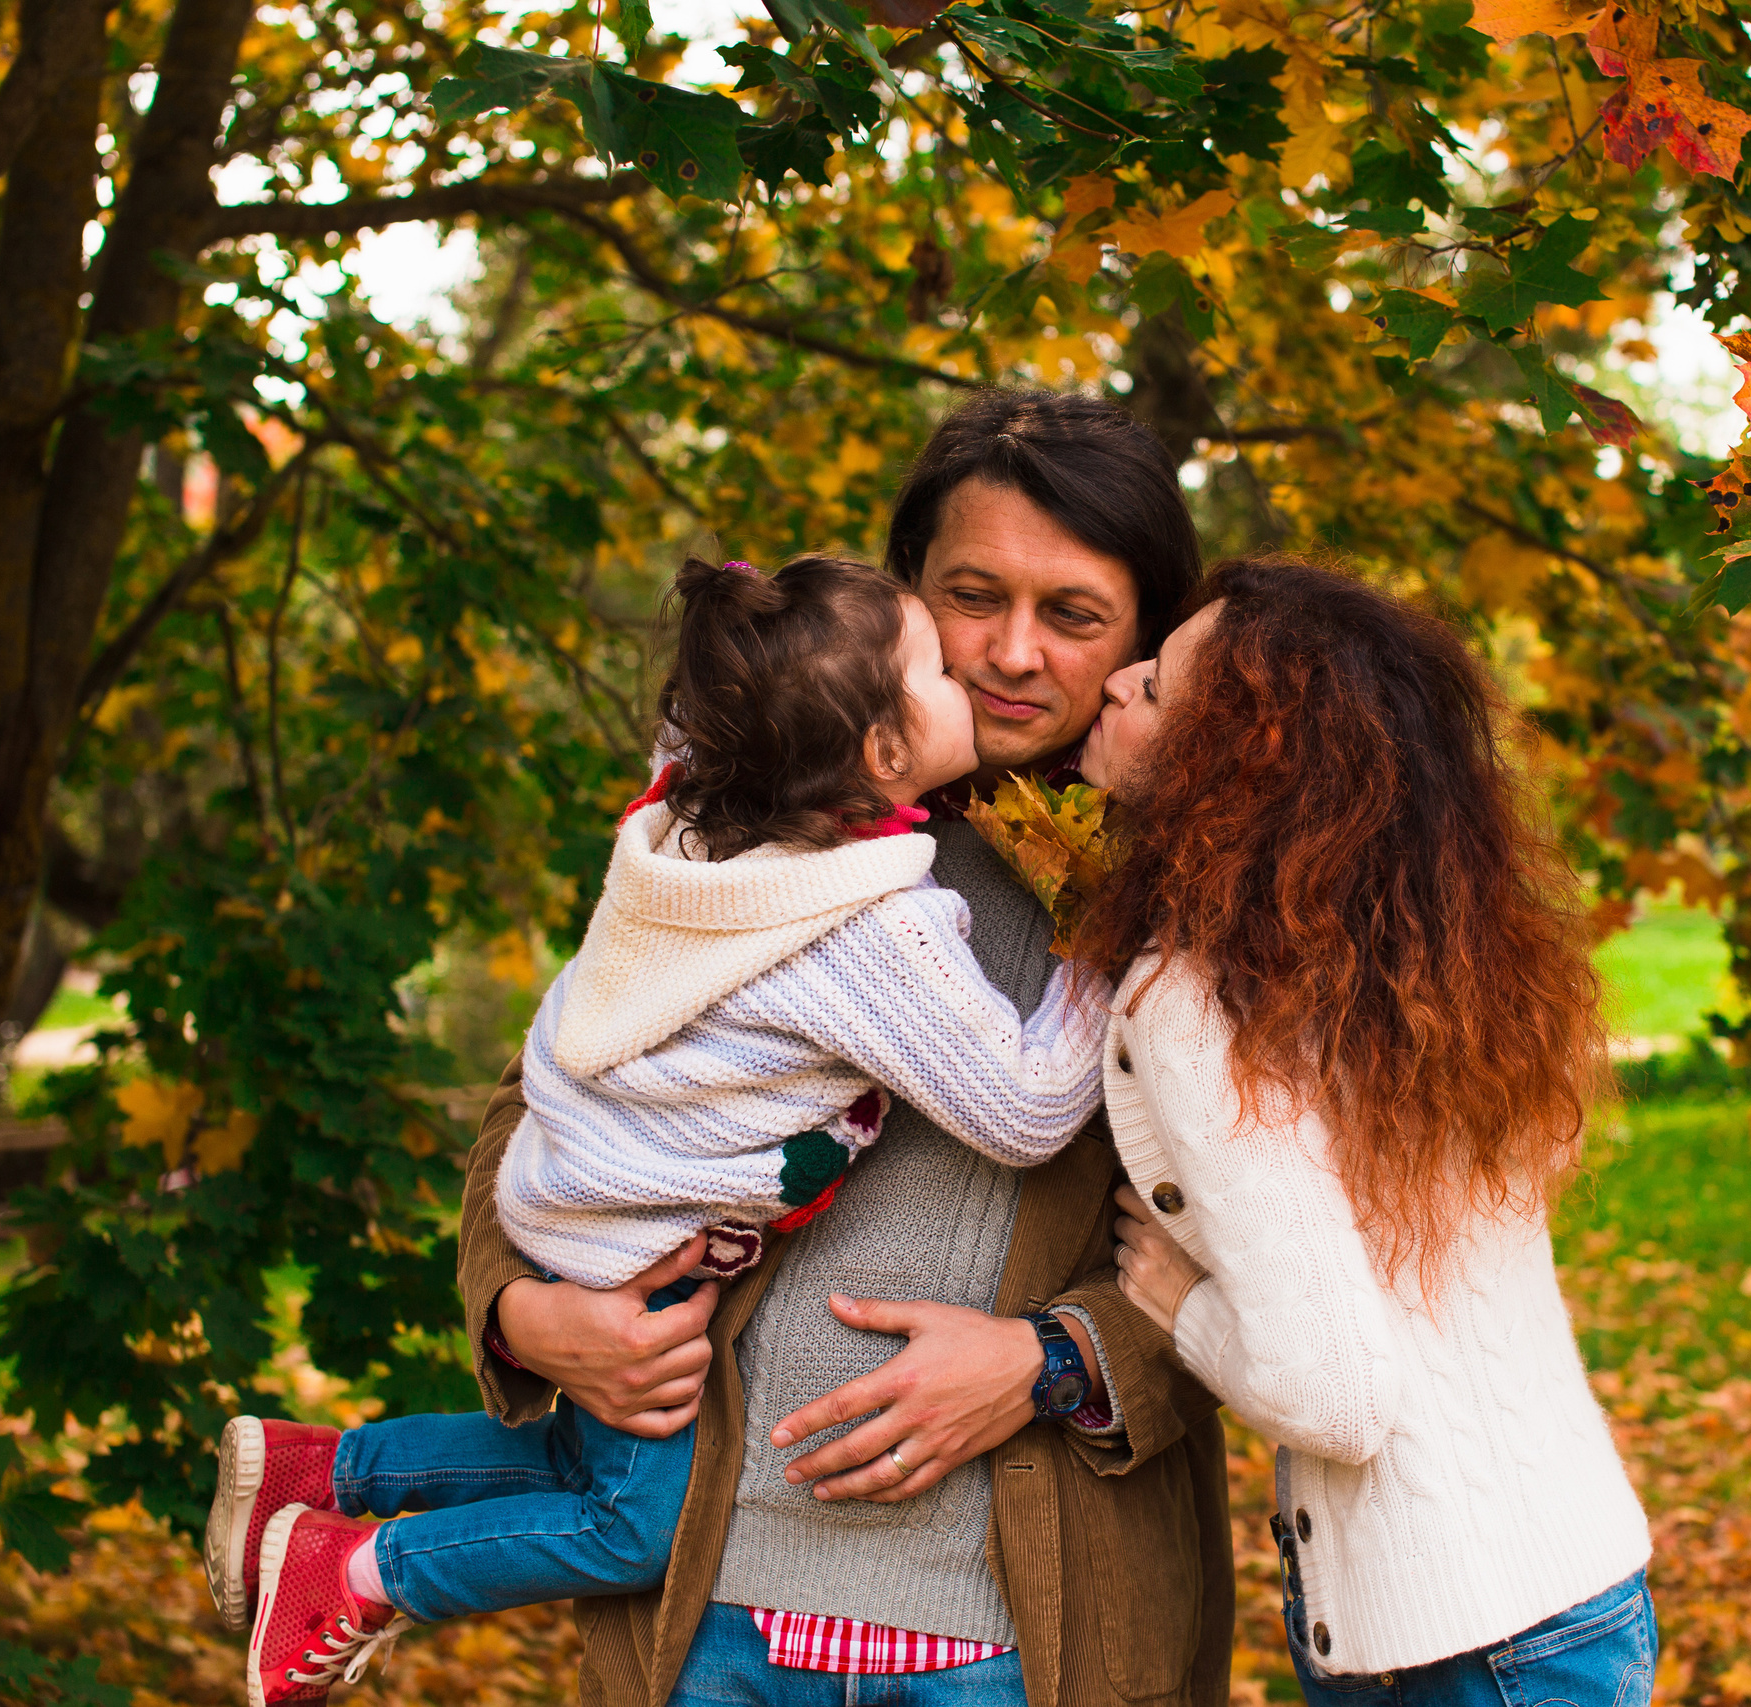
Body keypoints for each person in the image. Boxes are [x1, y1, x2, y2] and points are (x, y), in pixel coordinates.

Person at [208, 555, 1115, 1706]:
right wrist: (1110, 943)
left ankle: (320, 1468)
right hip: (640, 1247)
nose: (986, 670)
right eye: (942, 651)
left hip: (586, 1204)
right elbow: (1028, 1107)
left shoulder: (690, 818)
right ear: (881, 756)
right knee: (631, 1526)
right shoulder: (864, 922)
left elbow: (705, 716)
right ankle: (361, 1568)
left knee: (584, 1462)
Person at [452, 390, 1233, 1707]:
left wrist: (1053, 1360)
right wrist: (533, 1315)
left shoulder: (1206, 886)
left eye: (1075, 615)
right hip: (708, 1597)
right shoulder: (773, 816)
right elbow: (560, 1090)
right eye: (972, 596)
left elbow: (1301, 1255)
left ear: (1147, 638)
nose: (1013, 652)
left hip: (1023, 1622)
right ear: (903, 597)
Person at [1075, 558, 1659, 1707]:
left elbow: (1333, 1396)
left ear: (1238, 757)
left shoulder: (1195, 999)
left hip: (1454, 1649)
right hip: (1577, 1586)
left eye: (1156, 686)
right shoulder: (1423, 965)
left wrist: (1175, 1302)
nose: (1116, 680)